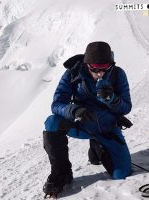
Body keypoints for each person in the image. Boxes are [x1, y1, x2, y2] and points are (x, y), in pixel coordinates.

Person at [43, 41, 132, 196]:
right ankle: (61, 173)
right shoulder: (73, 74)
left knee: (121, 174)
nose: (99, 73)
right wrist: (74, 110)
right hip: (82, 125)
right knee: (52, 123)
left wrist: (111, 99)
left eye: (104, 69)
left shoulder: (118, 74)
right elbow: (57, 104)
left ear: (110, 64)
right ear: (87, 64)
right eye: (95, 69)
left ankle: (98, 147)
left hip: (107, 128)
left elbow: (126, 107)